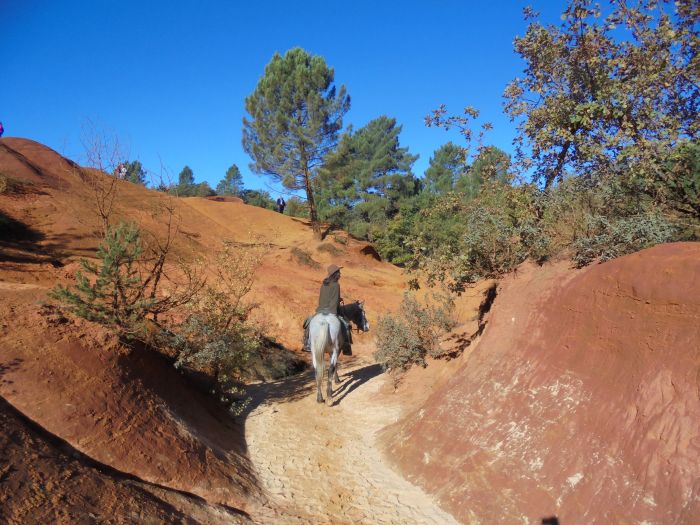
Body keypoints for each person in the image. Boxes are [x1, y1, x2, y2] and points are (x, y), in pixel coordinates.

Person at [303, 264, 352, 354]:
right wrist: (338, 303)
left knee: (308, 322)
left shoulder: (324, 284)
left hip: (320, 310)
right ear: (335, 274)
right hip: (332, 310)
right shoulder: (336, 285)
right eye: (339, 272)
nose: (340, 274)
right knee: (346, 324)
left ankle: (307, 343)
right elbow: (334, 301)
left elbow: (323, 298)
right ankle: (346, 345)